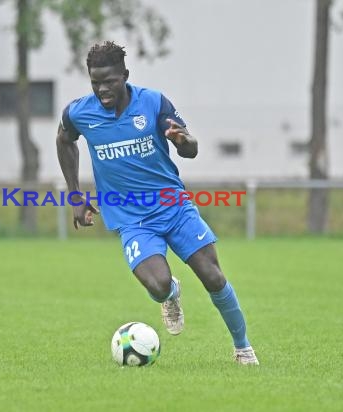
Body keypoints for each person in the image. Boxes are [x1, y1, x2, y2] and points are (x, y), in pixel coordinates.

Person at [56, 41, 259, 365]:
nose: (102, 89)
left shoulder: (152, 103)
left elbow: (189, 148)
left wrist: (184, 140)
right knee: (158, 283)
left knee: (213, 277)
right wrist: (75, 194)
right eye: (95, 82)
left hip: (174, 208)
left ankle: (243, 348)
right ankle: (170, 296)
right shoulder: (80, 112)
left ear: (125, 75)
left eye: (109, 81)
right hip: (131, 219)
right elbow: (64, 140)